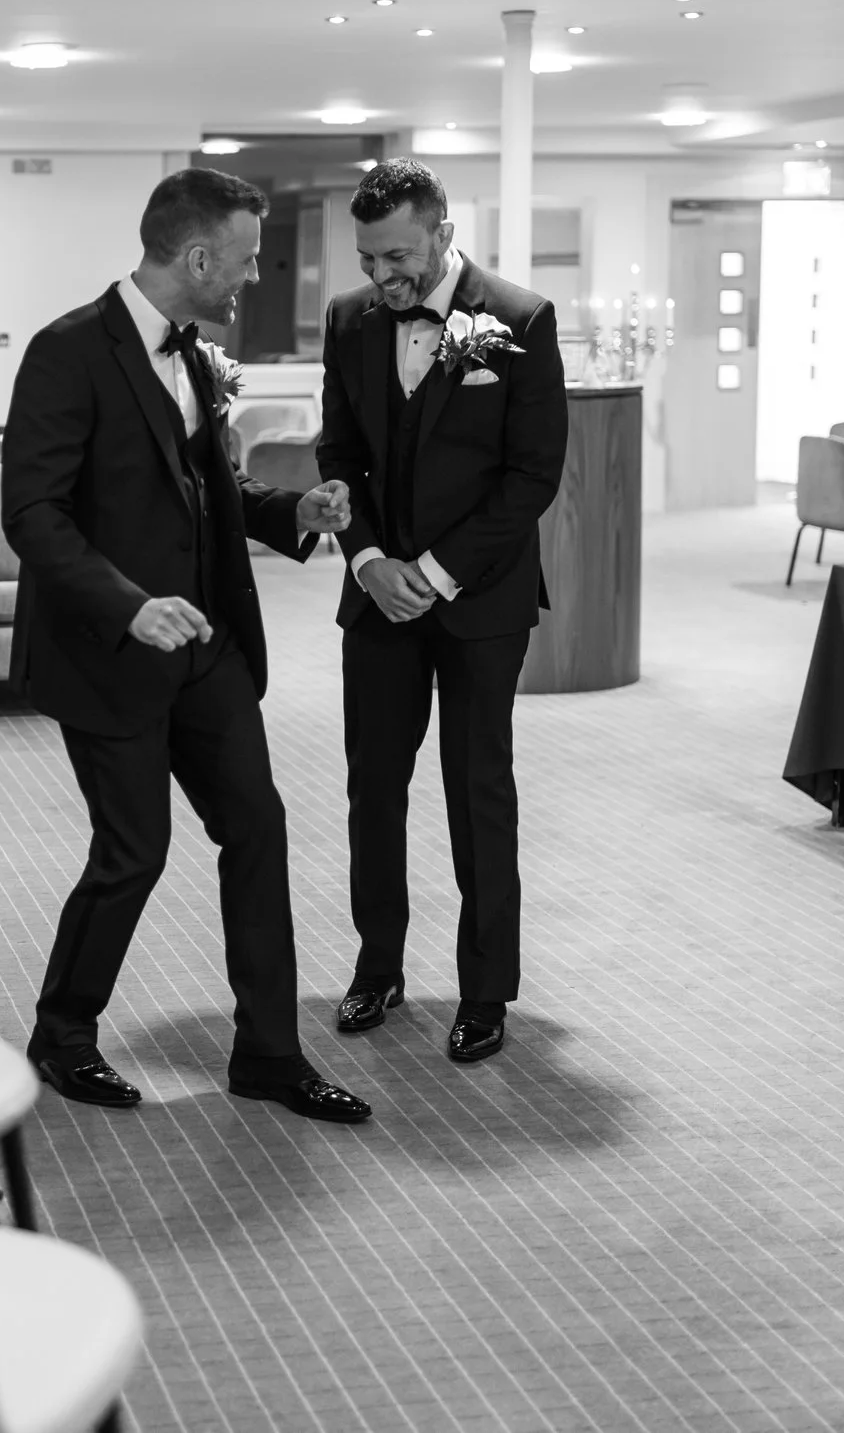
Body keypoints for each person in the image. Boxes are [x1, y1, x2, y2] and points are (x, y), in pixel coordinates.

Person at [3, 167, 370, 1125]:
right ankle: (61, 1033)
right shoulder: (65, 352)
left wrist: (301, 512)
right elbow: (33, 517)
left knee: (257, 827)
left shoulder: (200, 359)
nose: (252, 277)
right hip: (109, 652)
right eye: (244, 260)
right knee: (134, 851)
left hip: (208, 651)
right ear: (198, 255)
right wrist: (129, 605)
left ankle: (270, 1052)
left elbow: (213, 494)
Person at [315, 158, 568, 1065]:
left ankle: (485, 987)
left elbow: (532, 474)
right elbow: (338, 448)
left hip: (480, 602)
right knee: (372, 790)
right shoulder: (347, 319)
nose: (383, 277)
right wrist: (373, 560)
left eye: (399, 256)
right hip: (379, 598)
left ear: (443, 231)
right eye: (368, 258)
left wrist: (437, 568)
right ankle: (377, 966)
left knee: (477, 790)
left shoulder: (523, 319)